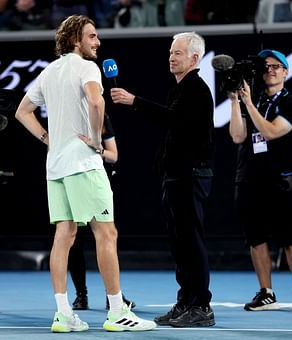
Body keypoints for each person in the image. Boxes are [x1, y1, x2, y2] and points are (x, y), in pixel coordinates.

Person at [14, 14, 156, 333]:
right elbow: (96, 101)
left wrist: (48, 139)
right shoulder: (88, 67)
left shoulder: (48, 72)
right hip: (83, 164)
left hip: (56, 167)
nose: (98, 42)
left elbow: (22, 112)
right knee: (107, 234)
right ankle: (118, 312)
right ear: (76, 40)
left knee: (64, 236)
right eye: (92, 36)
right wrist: (94, 139)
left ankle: (63, 314)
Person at [110, 32, 215, 328]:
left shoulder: (196, 89)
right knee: (180, 243)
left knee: (191, 242)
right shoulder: (178, 88)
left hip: (192, 175)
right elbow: (174, 129)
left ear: (195, 59)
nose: (171, 57)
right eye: (171, 52)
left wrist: (135, 102)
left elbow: (175, 120)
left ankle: (202, 306)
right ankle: (186, 301)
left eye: (178, 53)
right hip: (176, 175)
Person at [228, 49, 292, 312]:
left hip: (277, 178)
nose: (271, 70)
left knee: (289, 236)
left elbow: (272, 131)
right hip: (249, 176)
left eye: (277, 66)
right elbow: (238, 136)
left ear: (286, 71)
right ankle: (266, 292)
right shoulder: (249, 99)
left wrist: (250, 105)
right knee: (255, 238)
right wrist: (235, 101)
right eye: (266, 67)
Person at [68, 113, 136, 311]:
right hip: (73, 183)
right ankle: (80, 295)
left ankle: (113, 296)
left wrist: (96, 148)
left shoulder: (102, 117)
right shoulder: (66, 118)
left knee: (107, 238)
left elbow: (114, 155)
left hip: (98, 185)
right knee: (73, 240)